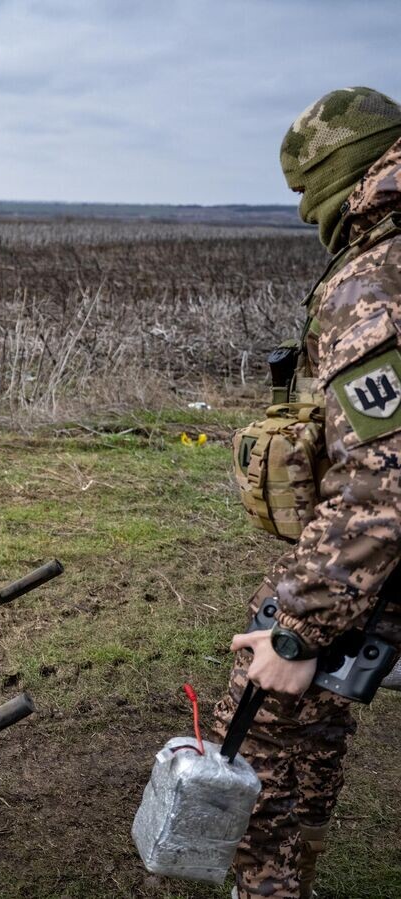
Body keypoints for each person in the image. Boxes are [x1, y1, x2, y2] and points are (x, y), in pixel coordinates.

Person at [215, 87, 401, 898]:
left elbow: (380, 485)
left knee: (261, 710)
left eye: (305, 191)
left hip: (378, 543)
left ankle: (271, 881)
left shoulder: (376, 280)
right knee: (311, 704)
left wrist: (296, 631)